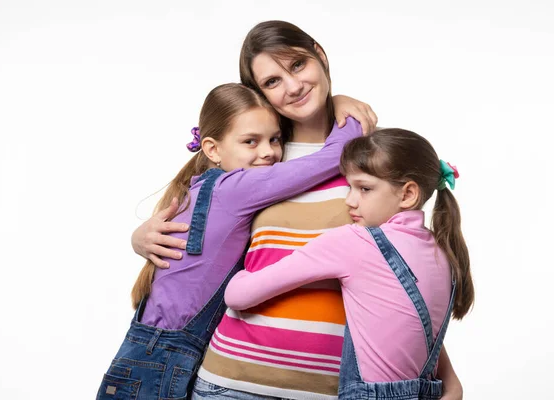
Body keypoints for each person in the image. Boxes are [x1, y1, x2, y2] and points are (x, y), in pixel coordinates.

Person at [132, 21, 463, 400]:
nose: (292, 86)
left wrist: (442, 374)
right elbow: (201, 241)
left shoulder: (372, 161)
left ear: (320, 56)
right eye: (272, 82)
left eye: (298, 65)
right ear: (260, 95)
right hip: (229, 382)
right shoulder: (258, 159)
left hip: (331, 390)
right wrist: (140, 238)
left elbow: (403, 278)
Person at [95, 82, 363, 399]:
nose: (268, 152)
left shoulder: (206, 185)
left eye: (275, 139)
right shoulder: (235, 188)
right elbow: (325, 161)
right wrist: (346, 113)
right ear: (213, 149)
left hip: (152, 351)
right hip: (163, 358)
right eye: (251, 141)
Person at [224, 128, 475, 399]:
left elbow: (238, 296)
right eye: (350, 187)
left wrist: (237, 268)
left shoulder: (356, 242)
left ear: (407, 195)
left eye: (364, 188)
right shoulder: (441, 249)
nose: (349, 200)